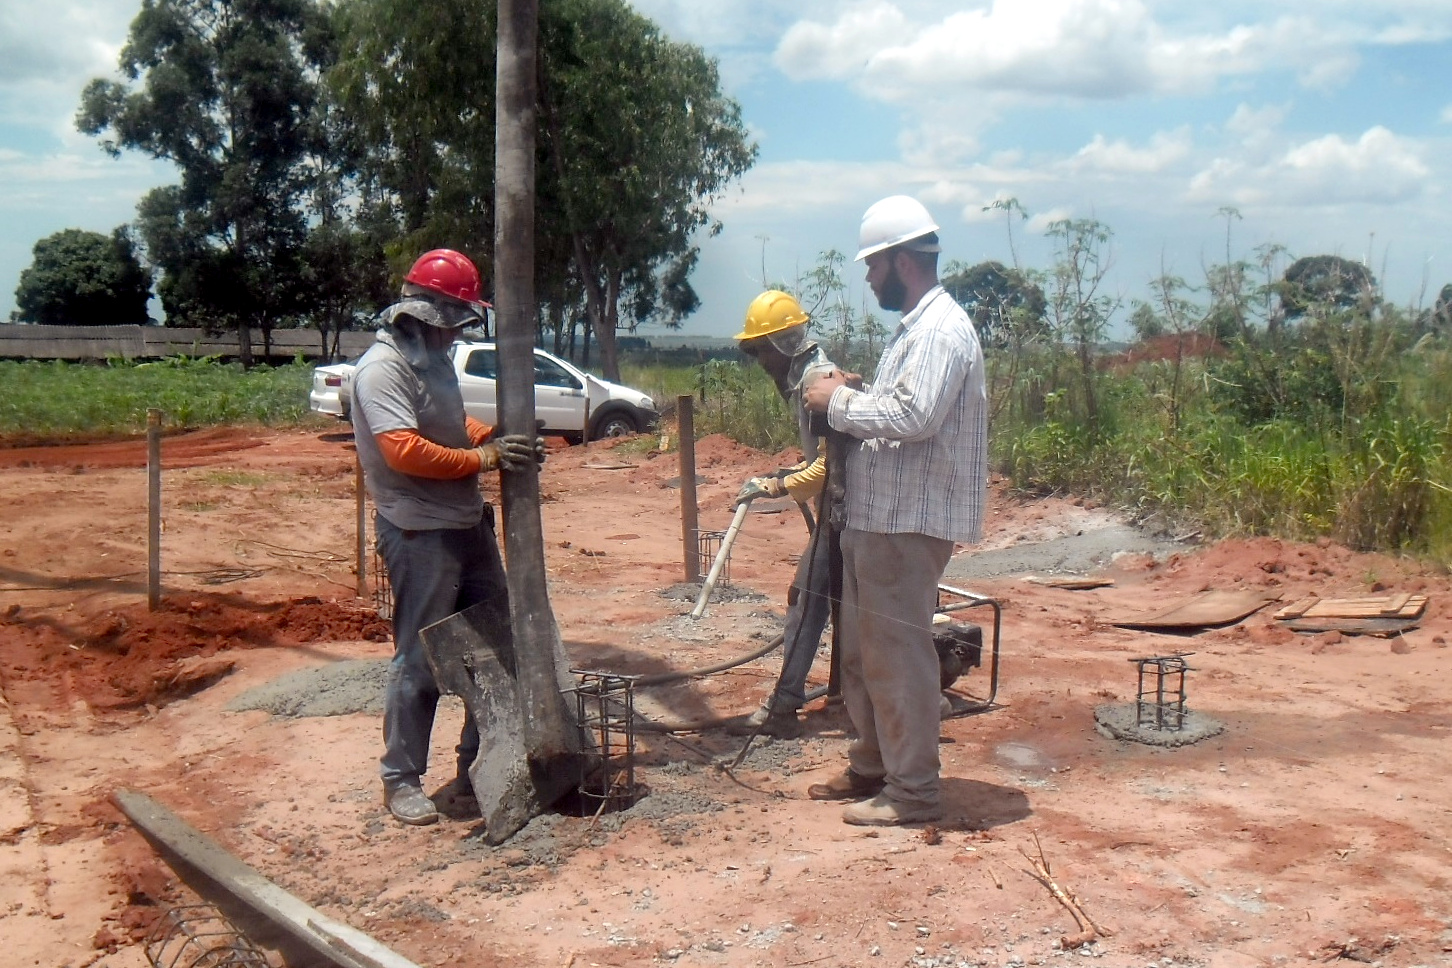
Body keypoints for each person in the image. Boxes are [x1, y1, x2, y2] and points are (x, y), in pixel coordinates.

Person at [802, 196, 988, 827]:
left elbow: (915, 417)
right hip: (880, 521)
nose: (868, 276)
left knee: (897, 655)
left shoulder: (938, 330)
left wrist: (837, 403)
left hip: (907, 525)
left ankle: (913, 792)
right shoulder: (918, 329)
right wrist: (856, 394)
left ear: (901, 261)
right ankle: (872, 766)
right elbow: (903, 405)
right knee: (862, 653)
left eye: (873, 264)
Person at [351, 248, 545, 826]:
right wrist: (482, 457)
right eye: (459, 316)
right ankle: (401, 779)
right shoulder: (382, 370)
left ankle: (475, 766)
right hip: (419, 533)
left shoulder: (433, 361)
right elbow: (403, 449)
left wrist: (496, 434)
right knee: (420, 660)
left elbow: (451, 426)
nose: (462, 328)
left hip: (466, 525)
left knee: (494, 646)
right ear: (430, 312)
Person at [729, 290, 838, 738]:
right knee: (839, 607)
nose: (759, 361)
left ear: (779, 345)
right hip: (843, 507)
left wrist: (778, 485)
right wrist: (789, 471)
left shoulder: (818, 383)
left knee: (807, 600)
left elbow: (829, 468)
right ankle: (845, 691)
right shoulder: (808, 378)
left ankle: (784, 706)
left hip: (846, 511)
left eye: (759, 350)